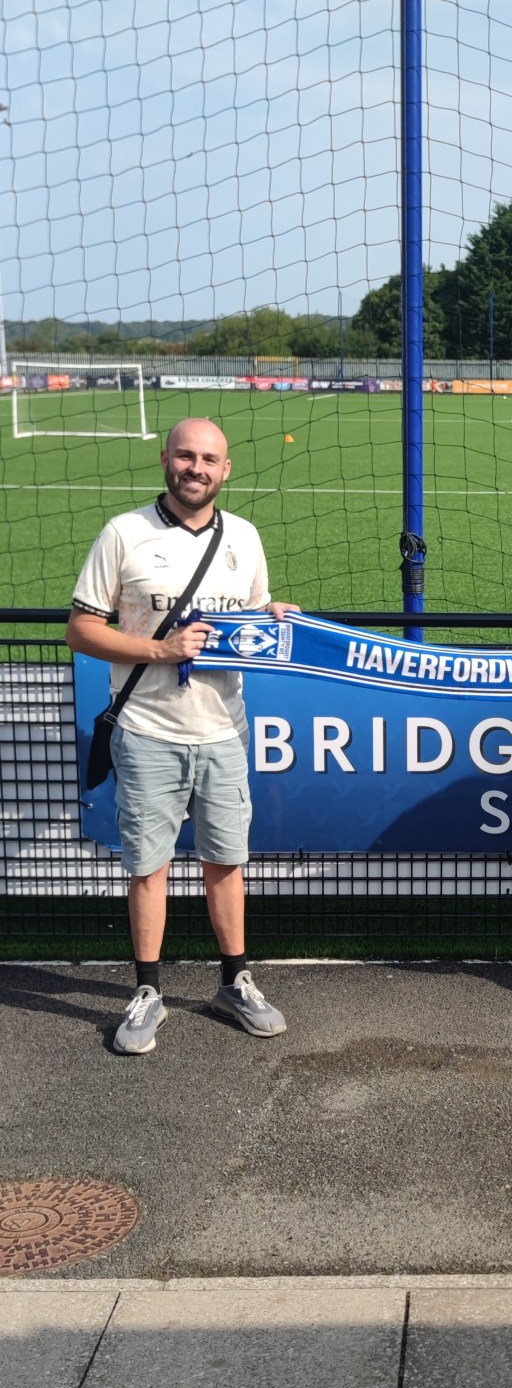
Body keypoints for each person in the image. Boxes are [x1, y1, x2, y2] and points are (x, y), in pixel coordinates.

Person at [66, 417, 291, 1055]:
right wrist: (160, 650)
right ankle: (147, 991)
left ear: (226, 470)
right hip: (146, 731)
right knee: (149, 866)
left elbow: (250, 617)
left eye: (209, 459)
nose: (197, 468)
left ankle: (235, 982)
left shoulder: (244, 536)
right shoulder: (124, 533)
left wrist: (273, 616)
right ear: (166, 459)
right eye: (186, 456)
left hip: (224, 731)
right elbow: (81, 630)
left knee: (227, 862)